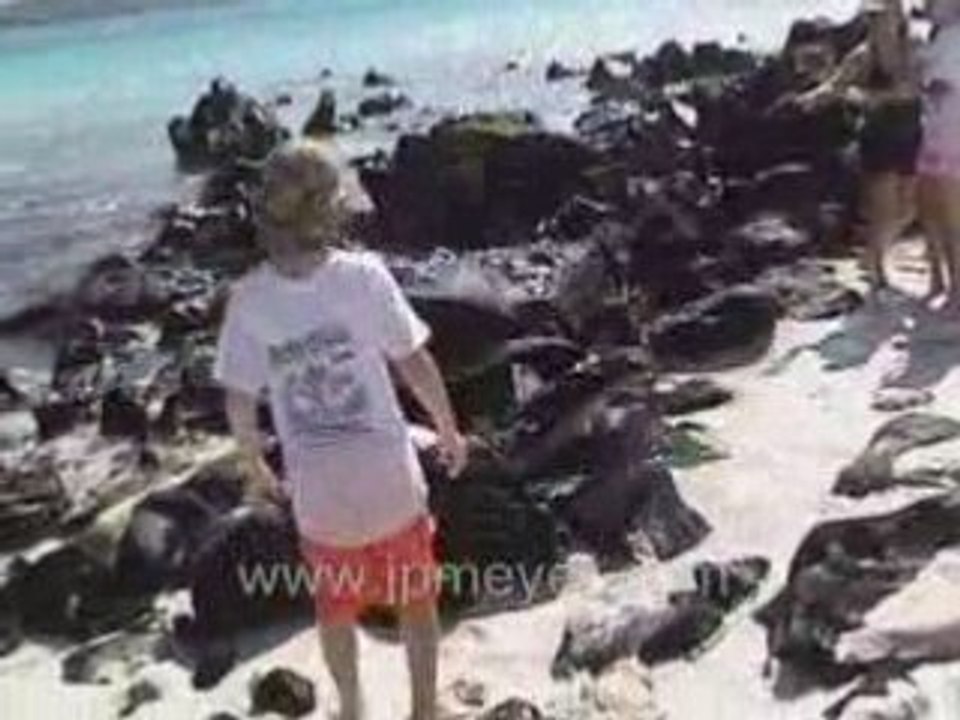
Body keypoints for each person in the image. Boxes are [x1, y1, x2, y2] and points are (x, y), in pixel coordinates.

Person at [215, 139, 468, 720]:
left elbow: (240, 399)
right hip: (388, 484)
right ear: (331, 209)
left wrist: (254, 466)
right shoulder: (363, 277)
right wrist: (448, 430)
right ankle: (423, 708)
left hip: (320, 500)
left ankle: (352, 707)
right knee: (415, 600)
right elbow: (414, 362)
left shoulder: (249, 300)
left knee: (335, 609)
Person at [795, 0, 927, 298]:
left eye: (885, 13)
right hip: (878, 136)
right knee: (884, 208)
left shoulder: (914, 45)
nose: (880, 20)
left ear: (899, 14)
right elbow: (836, 85)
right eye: (874, 16)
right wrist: (811, 99)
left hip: (913, 132)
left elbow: (914, 88)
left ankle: (873, 252)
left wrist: (869, 96)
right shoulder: (864, 55)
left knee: (910, 206)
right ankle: (878, 269)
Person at [918, 0, 960, 312]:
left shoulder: (953, 35)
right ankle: (940, 280)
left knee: (951, 217)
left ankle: (956, 288)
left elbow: (939, 84)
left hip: (952, 134)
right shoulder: (939, 35)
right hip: (934, 131)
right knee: (932, 211)